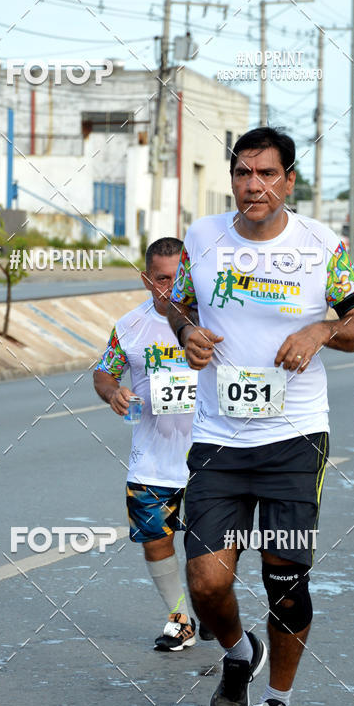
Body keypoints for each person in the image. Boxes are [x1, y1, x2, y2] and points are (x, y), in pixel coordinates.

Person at [167, 126, 354, 706]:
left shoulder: (321, 245)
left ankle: (278, 700)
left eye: (266, 174)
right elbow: (177, 304)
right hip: (218, 437)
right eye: (242, 173)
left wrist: (321, 330)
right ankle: (237, 652)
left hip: (294, 438)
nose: (253, 186)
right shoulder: (202, 237)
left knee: (285, 581)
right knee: (206, 581)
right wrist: (186, 332)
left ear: (289, 181)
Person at [94, 237, 214, 651]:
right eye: (162, 279)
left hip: (210, 456)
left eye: (179, 278)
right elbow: (104, 372)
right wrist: (113, 392)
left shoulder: (214, 318)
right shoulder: (130, 325)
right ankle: (180, 619)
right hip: (151, 460)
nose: (171, 288)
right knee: (156, 540)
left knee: (210, 547)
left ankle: (211, 604)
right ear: (146, 280)